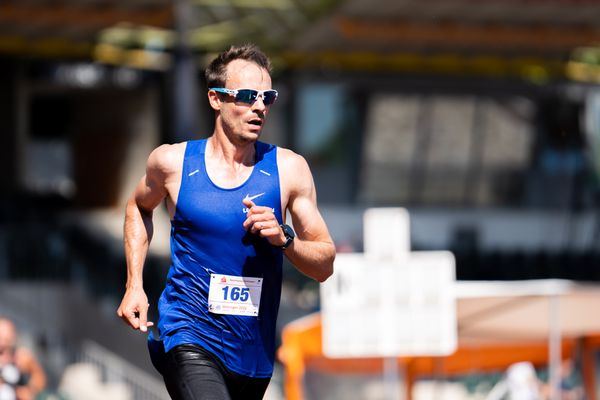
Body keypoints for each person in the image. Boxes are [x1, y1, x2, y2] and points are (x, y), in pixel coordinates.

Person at [117, 44, 335, 400]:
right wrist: (134, 284)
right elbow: (138, 207)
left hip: (253, 354)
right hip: (188, 334)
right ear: (215, 99)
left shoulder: (288, 169)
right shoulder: (172, 163)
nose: (260, 107)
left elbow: (324, 264)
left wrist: (285, 240)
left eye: (268, 97)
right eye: (248, 96)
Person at [0, 318, 47, 400]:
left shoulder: (20, 357)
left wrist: (30, 390)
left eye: (6, 337)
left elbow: (39, 376)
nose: (3, 341)